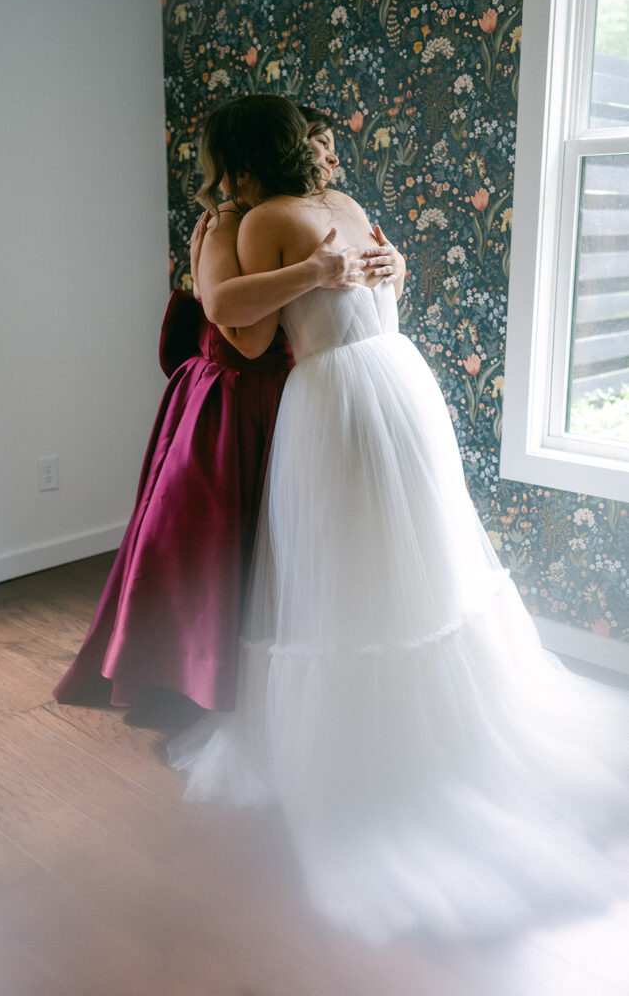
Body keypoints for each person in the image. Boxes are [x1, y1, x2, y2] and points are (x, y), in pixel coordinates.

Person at [169, 94, 629, 944]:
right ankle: (426, 732)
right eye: (317, 138)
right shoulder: (337, 206)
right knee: (409, 561)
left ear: (243, 156)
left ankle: (368, 753)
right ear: (295, 146)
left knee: (341, 568)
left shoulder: (269, 217)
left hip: (343, 397)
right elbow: (357, 292)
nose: (330, 150)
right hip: (398, 382)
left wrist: (318, 274)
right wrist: (354, 274)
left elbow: (242, 333)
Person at [52, 102, 366, 713]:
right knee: (207, 546)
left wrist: (386, 264)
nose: (328, 159)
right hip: (228, 401)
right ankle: (184, 679)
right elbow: (238, 330)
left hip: (283, 396)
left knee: (269, 548)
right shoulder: (228, 223)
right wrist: (209, 270)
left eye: (329, 146)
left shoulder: (297, 216)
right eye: (318, 145)